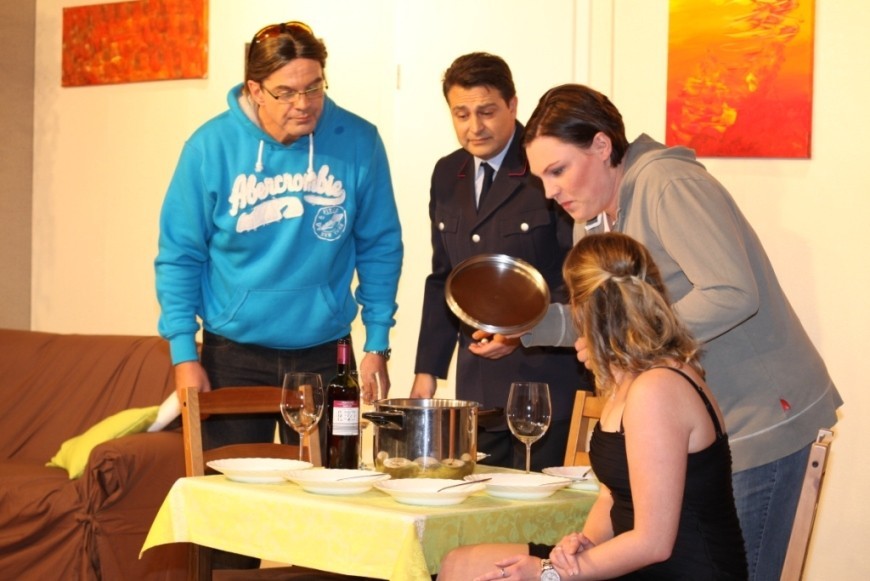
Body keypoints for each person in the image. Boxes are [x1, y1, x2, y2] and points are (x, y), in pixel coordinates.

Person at [515, 84, 841, 580]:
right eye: (542, 177)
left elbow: (733, 291)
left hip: (760, 418)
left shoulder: (668, 184)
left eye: (557, 170)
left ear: (601, 145)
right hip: (700, 431)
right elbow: (609, 319)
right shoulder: (594, 223)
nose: (549, 192)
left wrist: (630, 345)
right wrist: (522, 326)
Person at [438, 232, 748, 580]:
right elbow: (611, 497)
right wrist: (582, 544)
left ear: (590, 312)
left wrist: (548, 573)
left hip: (675, 571)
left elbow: (654, 543)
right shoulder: (627, 382)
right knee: (459, 564)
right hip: (636, 562)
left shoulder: (658, 389)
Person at [155, 21, 402, 456]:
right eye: (286, 92)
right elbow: (180, 255)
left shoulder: (359, 141)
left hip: (326, 350)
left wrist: (377, 342)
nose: (303, 104)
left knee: (331, 482)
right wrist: (184, 355)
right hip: (232, 353)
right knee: (228, 485)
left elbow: (380, 246)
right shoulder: (209, 147)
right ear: (255, 89)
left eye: (314, 87)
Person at [410, 53, 590, 470]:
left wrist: (519, 329)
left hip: (547, 379)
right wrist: (428, 370)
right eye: (461, 114)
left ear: (512, 105)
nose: (474, 126)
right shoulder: (447, 173)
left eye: (487, 112)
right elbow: (445, 277)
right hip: (479, 386)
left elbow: (576, 271)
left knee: (544, 504)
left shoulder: (544, 165)